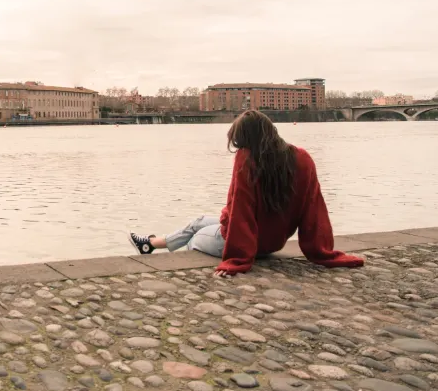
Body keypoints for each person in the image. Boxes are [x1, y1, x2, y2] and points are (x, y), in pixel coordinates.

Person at [128, 110, 365, 276]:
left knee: (195, 238)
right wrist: (321, 251)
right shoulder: (302, 158)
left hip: (245, 244)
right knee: (199, 221)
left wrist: (236, 259)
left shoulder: (248, 159)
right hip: (274, 242)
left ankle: (175, 255)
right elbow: (314, 209)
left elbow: (239, 209)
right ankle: (149, 244)